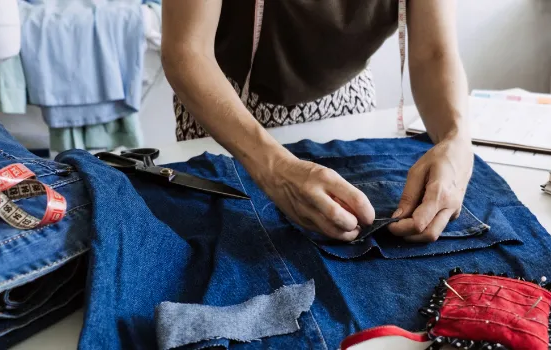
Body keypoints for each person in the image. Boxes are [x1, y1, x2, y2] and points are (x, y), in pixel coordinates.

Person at [161, 0, 473, 243]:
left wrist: (456, 137)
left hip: (347, 102)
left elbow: (434, 52)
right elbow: (187, 51)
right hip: (224, 106)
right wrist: (274, 168)